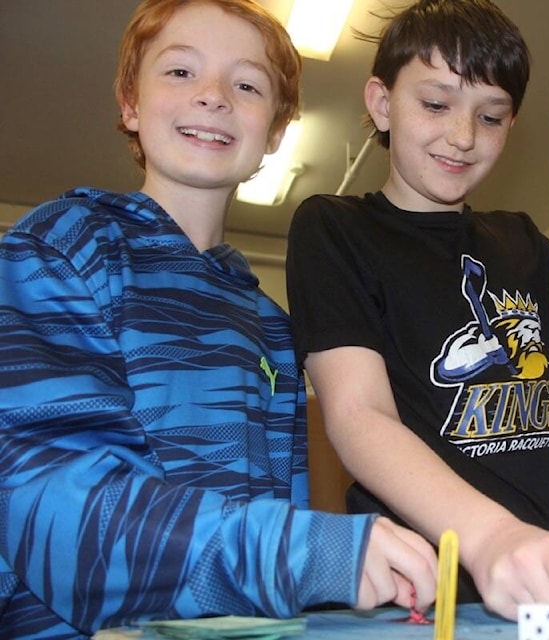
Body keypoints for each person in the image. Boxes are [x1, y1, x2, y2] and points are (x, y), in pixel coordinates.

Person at [0, 1, 437, 637]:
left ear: (276, 134)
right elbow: (50, 500)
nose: (212, 97)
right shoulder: (61, 248)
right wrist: (308, 553)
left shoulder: (272, 325)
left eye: (246, 84)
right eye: (180, 73)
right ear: (130, 103)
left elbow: (278, 521)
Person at [284, 0, 549, 622]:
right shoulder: (335, 227)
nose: (463, 136)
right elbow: (358, 414)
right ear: (380, 103)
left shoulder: (525, 242)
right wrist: (492, 538)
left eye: (492, 115)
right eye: (435, 103)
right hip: (427, 589)